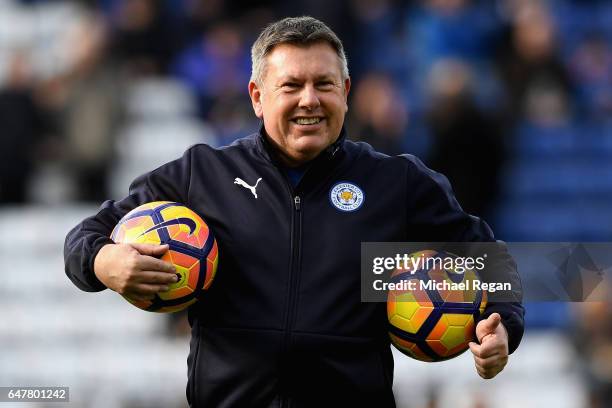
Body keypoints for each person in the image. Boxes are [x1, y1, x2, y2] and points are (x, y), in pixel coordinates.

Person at [64, 16, 524, 407]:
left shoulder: (396, 183)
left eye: (324, 84)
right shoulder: (202, 175)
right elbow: (85, 236)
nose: (309, 100)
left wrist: (503, 325)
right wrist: (105, 261)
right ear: (257, 96)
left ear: (345, 91)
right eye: (291, 86)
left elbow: (492, 259)